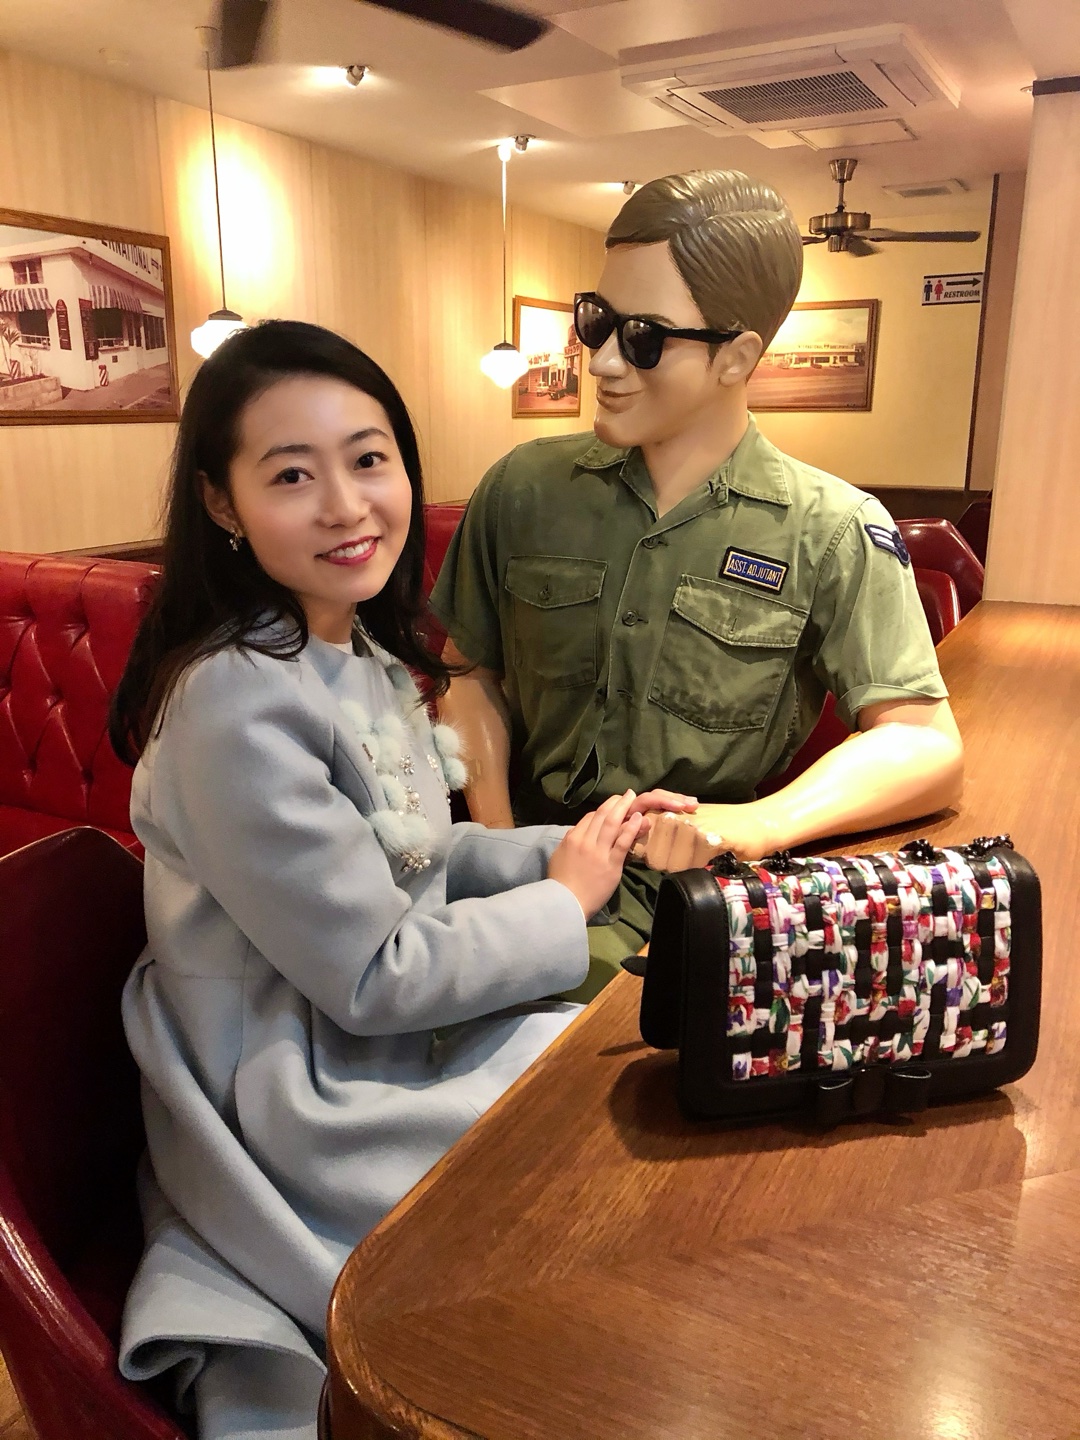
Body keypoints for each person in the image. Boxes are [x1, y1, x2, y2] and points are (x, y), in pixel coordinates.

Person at [107, 320, 679, 1439]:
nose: (346, 505)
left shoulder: (353, 651)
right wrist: (561, 900)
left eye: (368, 460)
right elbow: (374, 974)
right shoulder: (234, 701)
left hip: (365, 1035)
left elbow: (412, 851)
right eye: (291, 475)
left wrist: (574, 847)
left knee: (619, 1079)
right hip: (296, 1082)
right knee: (599, 1145)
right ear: (222, 504)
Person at [431, 170, 964, 1001]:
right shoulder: (523, 490)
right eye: (597, 321)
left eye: (644, 338)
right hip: (508, 885)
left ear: (737, 357)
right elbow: (470, 673)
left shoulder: (829, 529)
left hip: (686, 919)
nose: (604, 360)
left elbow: (925, 743)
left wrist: (757, 823)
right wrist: (504, 847)